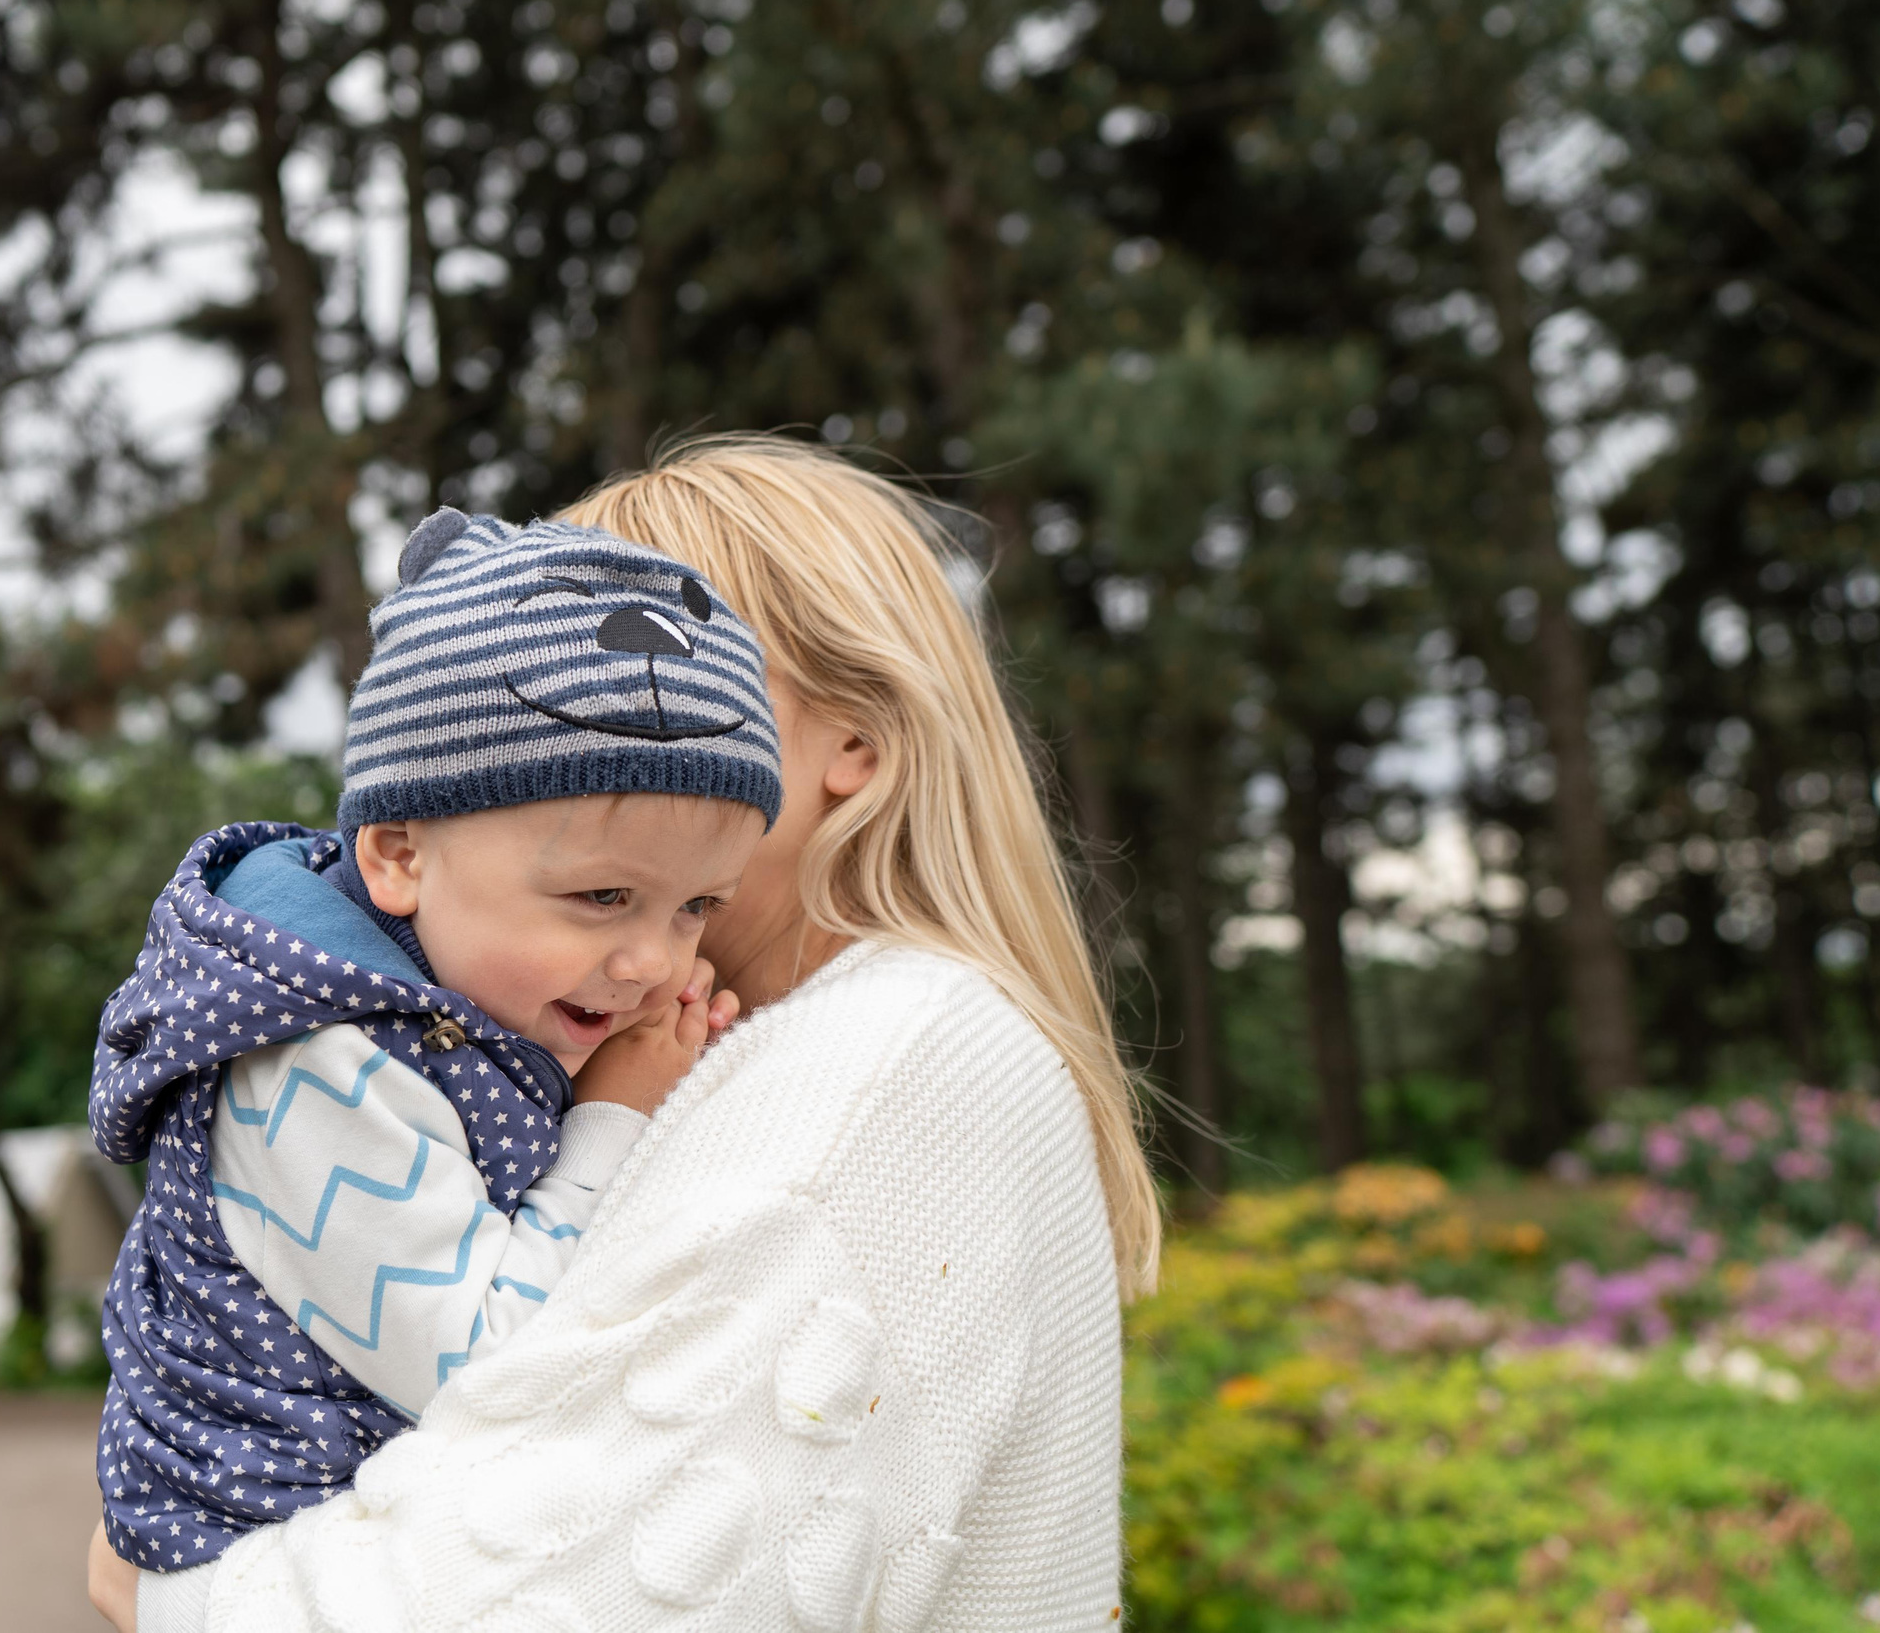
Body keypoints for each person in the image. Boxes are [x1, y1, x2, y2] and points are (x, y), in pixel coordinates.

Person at [93, 434, 1161, 1633]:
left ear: (852, 741)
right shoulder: (794, 1042)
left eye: (688, 657)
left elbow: (560, 1593)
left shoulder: (881, 1066)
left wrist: (173, 1598)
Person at [87, 509, 785, 1586]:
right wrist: (615, 1116)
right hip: (274, 1555)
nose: (652, 959)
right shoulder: (316, 1065)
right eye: (603, 896)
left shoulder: (465, 1008)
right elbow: (484, 1370)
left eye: (696, 905)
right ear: (399, 854)